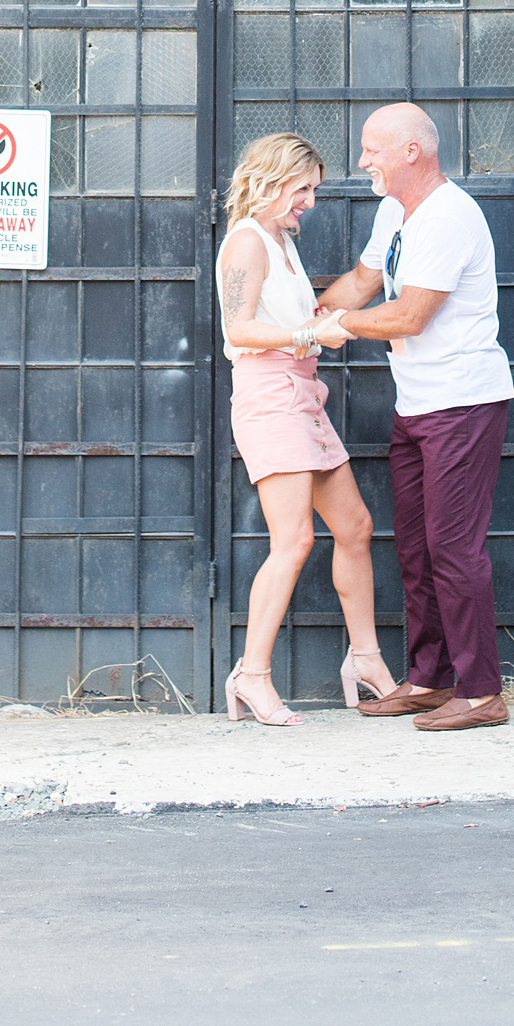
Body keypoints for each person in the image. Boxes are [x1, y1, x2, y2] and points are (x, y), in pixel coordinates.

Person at [312, 102, 514, 730]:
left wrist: (336, 327)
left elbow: (408, 317)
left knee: (455, 550)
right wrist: (303, 314)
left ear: (411, 152)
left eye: (373, 149)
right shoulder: (394, 210)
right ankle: (430, 679)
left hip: (462, 403)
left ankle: (482, 692)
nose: (362, 160)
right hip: (418, 403)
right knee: (419, 550)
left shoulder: (450, 216)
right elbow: (362, 282)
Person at [215, 131, 402, 727]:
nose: (310, 202)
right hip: (270, 396)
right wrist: (306, 334)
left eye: (313, 191)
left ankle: (366, 660)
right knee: (292, 542)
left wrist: (319, 320)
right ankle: (251, 675)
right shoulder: (247, 242)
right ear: (271, 180)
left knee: (355, 526)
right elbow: (238, 331)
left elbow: (292, 317)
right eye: (303, 189)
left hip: (302, 394)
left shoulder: (280, 240)